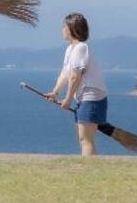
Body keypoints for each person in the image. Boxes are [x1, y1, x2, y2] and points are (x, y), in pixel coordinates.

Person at [43, 13, 108, 156]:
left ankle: (89, 171)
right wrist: (55, 92)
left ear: (72, 29)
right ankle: (91, 169)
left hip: (92, 98)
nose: (62, 29)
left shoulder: (80, 48)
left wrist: (67, 99)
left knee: (86, 139)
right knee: (84, 138)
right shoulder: (70, 49)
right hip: (85, 98)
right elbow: (66, 73)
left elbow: (75, 76)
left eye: (64, 26)